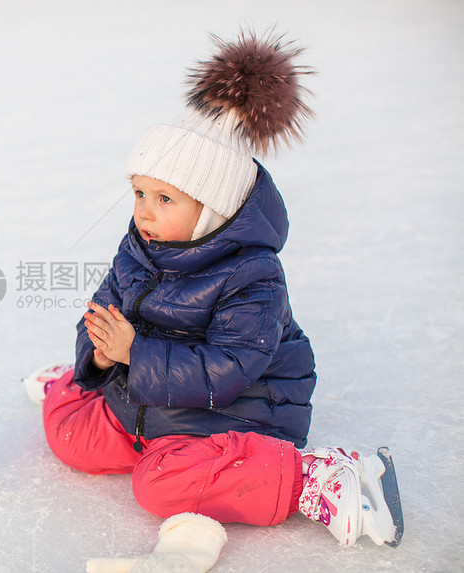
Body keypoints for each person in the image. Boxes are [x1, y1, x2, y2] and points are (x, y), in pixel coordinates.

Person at [24, 30, 403, 548]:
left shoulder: (253, 277)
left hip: (233, 414)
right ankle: (72, 381)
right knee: (73, 438)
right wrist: (101, 354)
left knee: (158, 489)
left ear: (212, 209)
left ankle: (314, 477)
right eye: (139, 192)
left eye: (164, 198)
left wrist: (134, 352)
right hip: (147, 401)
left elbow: (227, 370)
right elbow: (103, 309)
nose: (143, 210)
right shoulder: (139, 246)